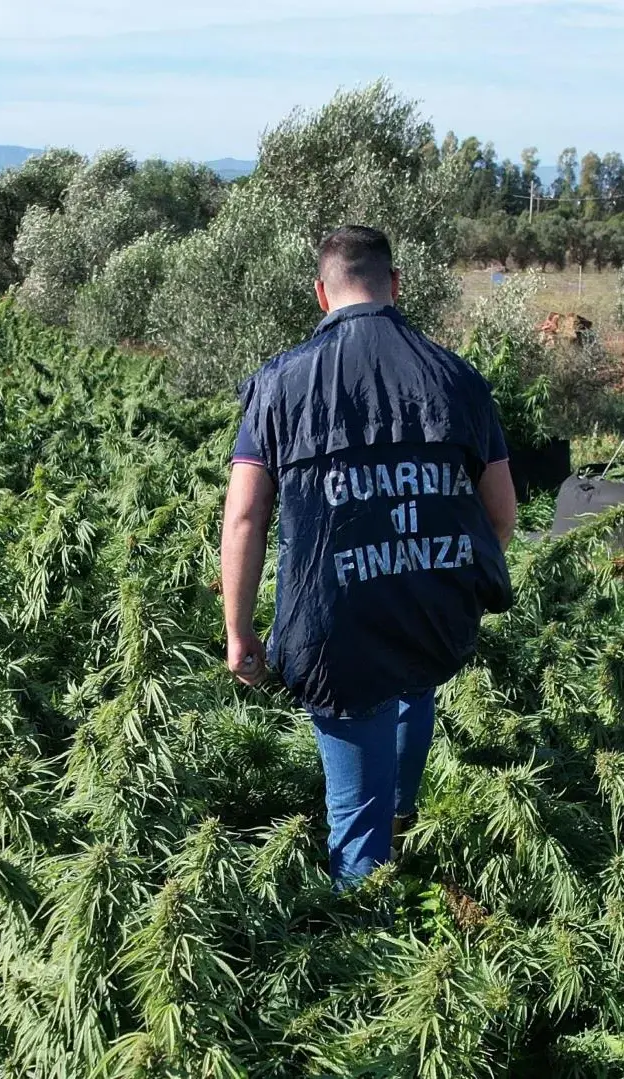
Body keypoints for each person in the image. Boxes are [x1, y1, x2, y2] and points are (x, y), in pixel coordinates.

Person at [222, 225, 518, 888]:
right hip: (431, 608)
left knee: (355, 827)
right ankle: (404, 819)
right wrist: (440, 569)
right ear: (396, 284)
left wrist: (240, 631)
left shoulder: (278, 384)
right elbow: (503, 514)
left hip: (335, 627)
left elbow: (245, 514)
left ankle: (365, 953)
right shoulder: (458, 378)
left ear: (322, 292)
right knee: (414, 682)